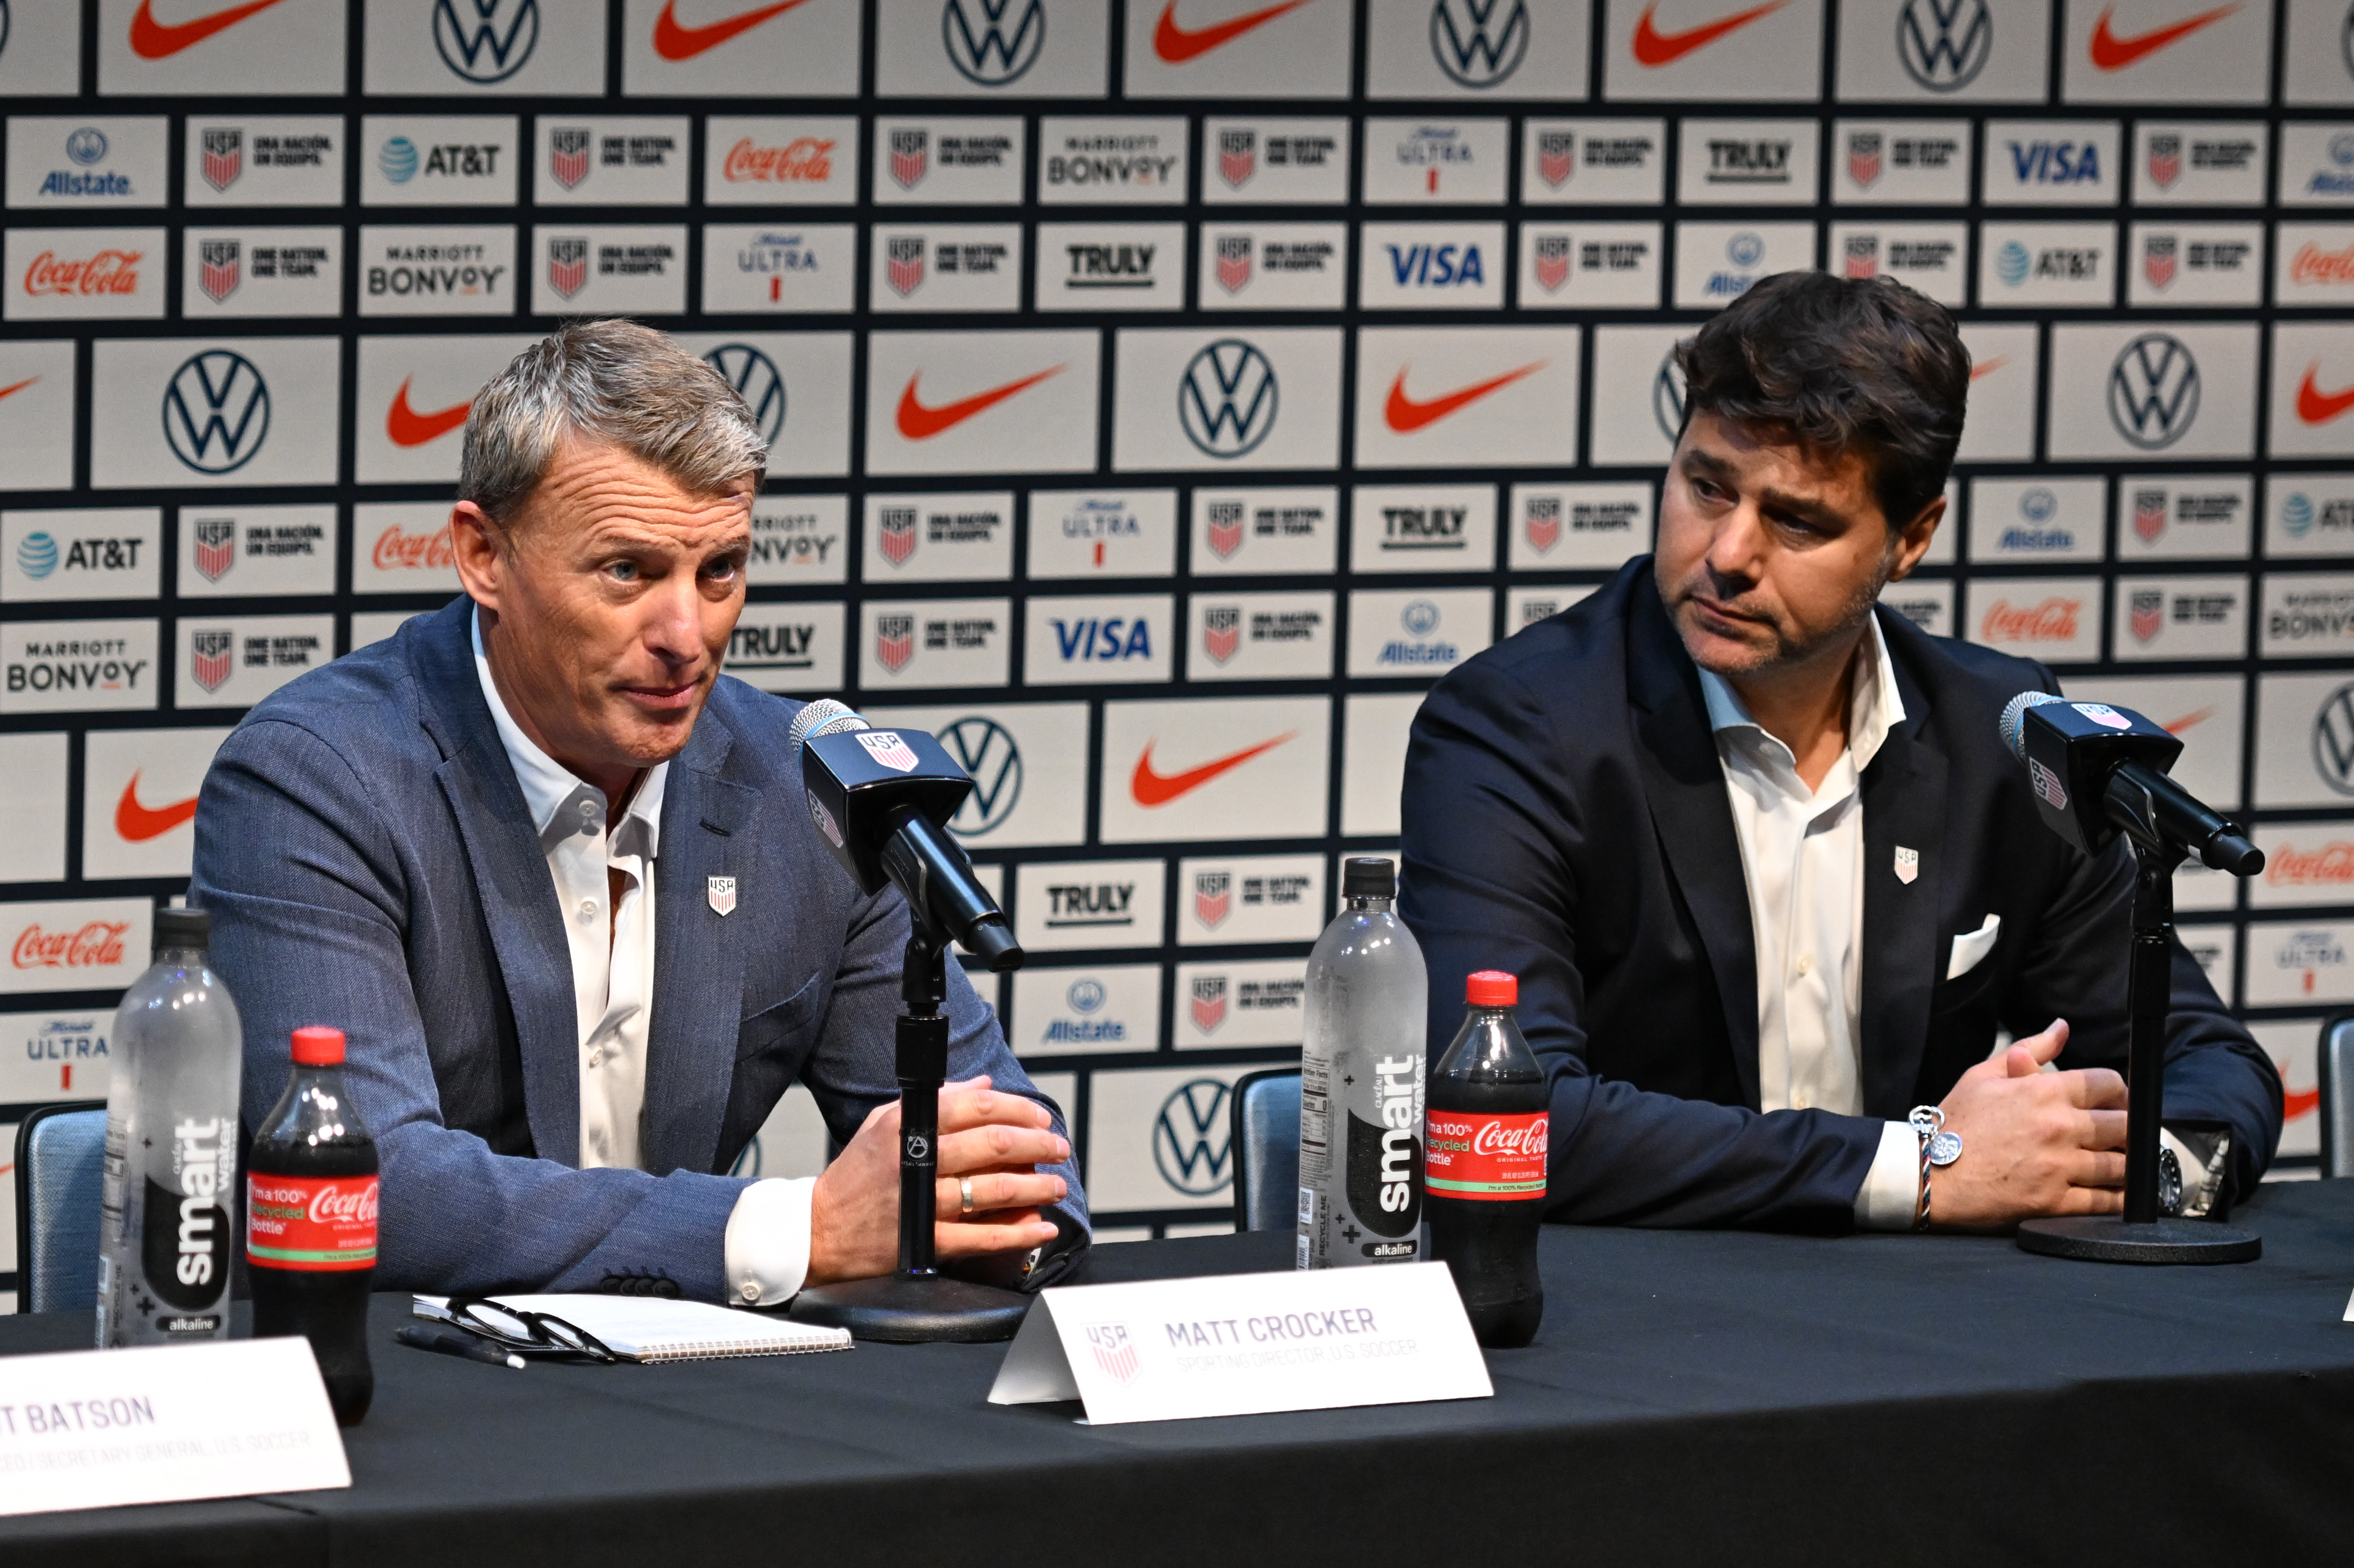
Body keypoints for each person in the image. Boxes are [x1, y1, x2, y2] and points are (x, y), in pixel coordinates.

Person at [193, 320, 1087, 1305]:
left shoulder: (804, 787)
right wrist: (796, 1230)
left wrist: (987, 1201)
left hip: (704, 1405)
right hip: (414, 1404)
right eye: (628, 572)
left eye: (720, 572)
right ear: (483, 554)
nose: (687, 635)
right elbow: (368, 1187)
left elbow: (1030, 1185)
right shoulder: (318, 778)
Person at [1400, 273, 2280, 1233]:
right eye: (1706, 486)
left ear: (1911, 539)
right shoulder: (1519, 727)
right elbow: (1501, 1119)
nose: (1728, 552)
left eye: (1797, 520)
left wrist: (2130, 1172)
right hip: (1630, 1326)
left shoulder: (1998, 734)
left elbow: (2208, 1065)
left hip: (1926, 1336)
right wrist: (1926, 1167)